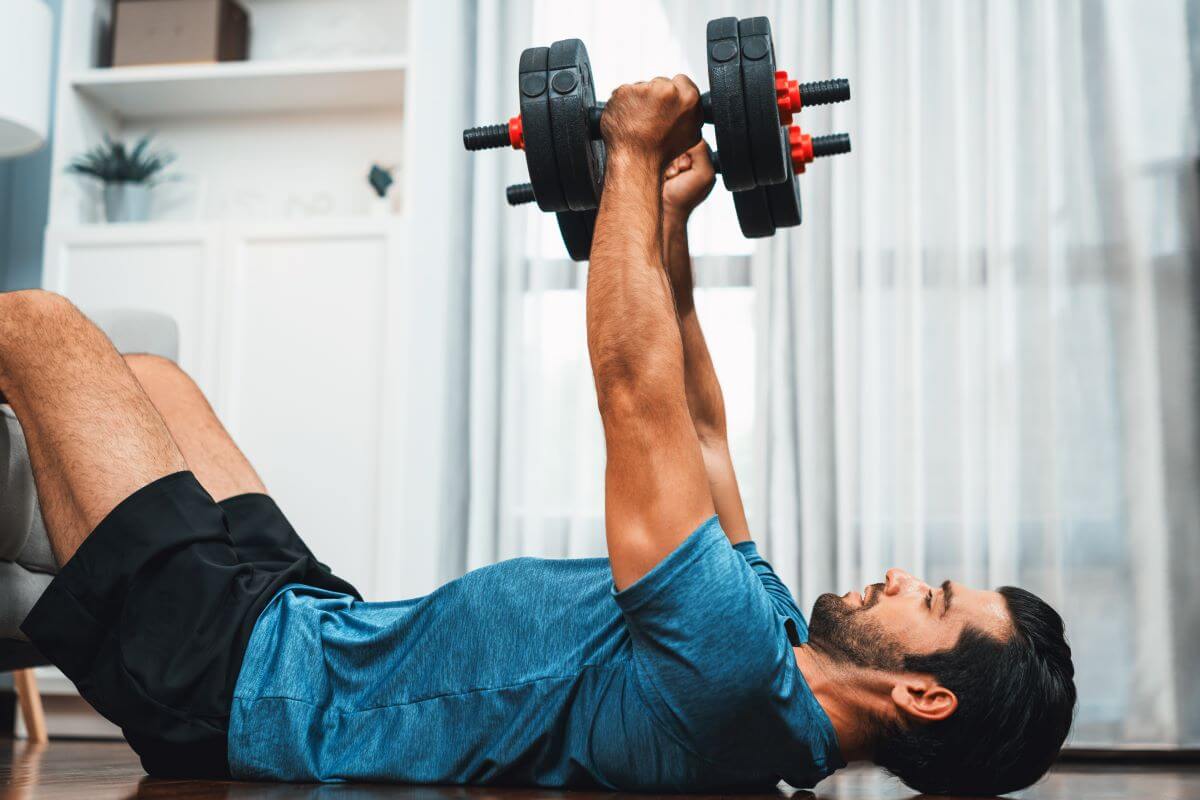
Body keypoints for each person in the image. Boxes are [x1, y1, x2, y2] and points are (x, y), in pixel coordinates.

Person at [0, 76, 1075, 796]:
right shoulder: (772, 639)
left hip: (246, 691)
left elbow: (629, 387)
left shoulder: (735, 678)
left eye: (931, 599)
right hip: (313, 623)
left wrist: (630, 153)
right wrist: (668, 224)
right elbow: (696, 424)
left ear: (923, 695)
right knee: (152, 377)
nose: (900, 575)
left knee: (34, 326)